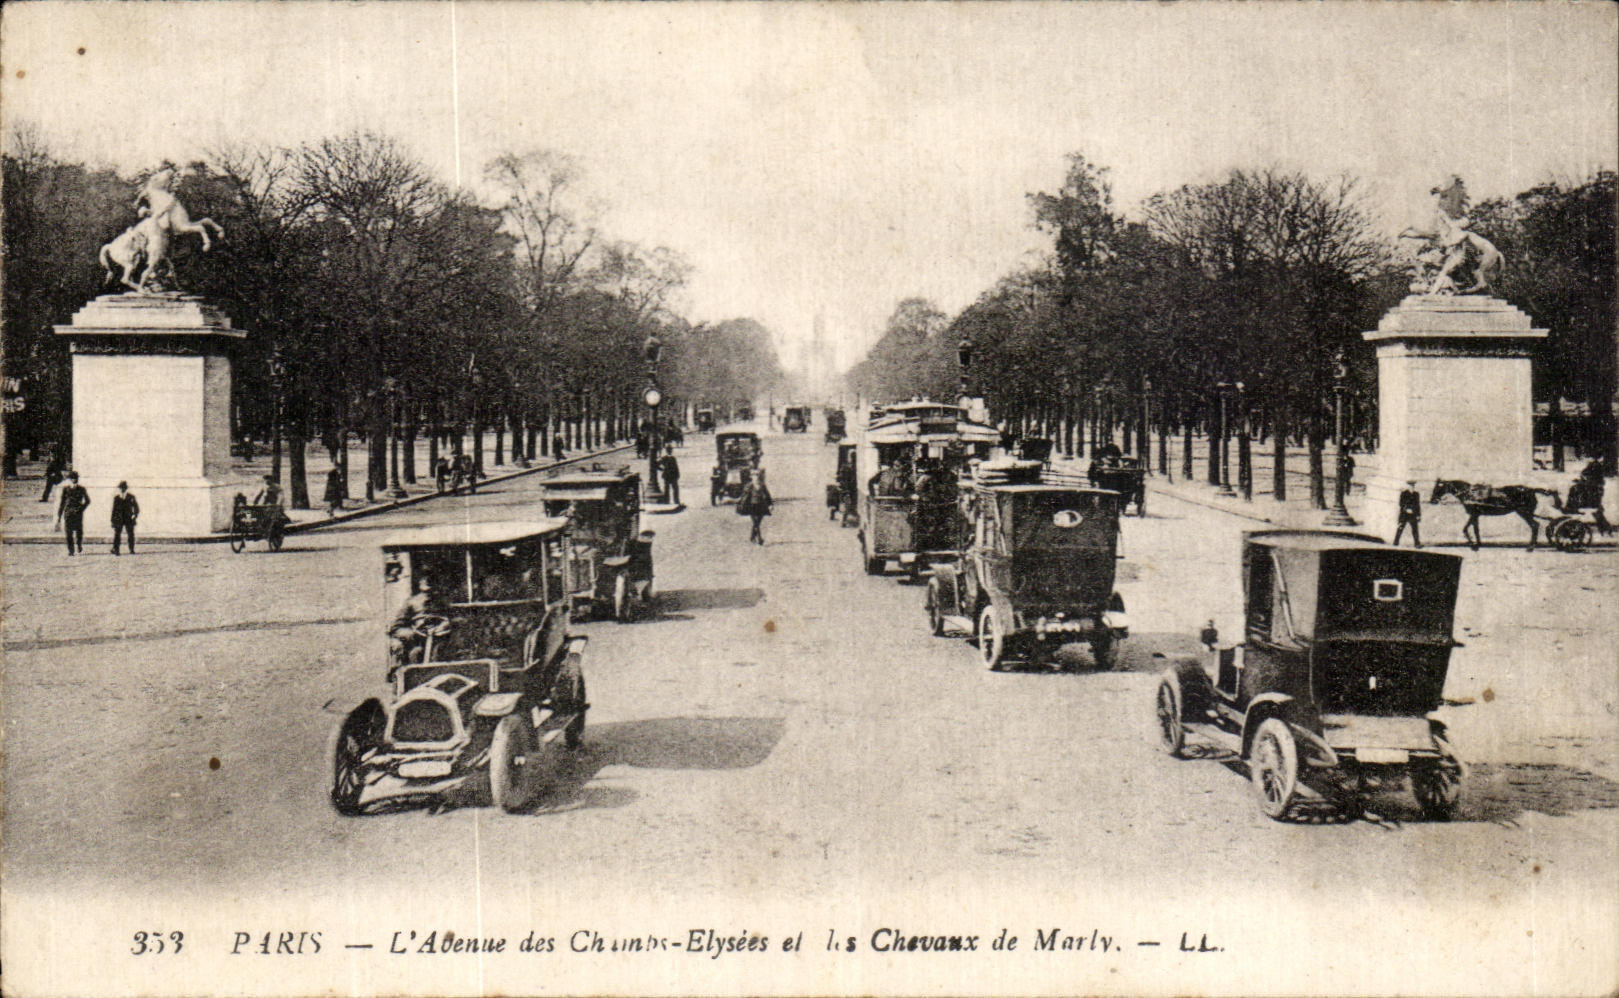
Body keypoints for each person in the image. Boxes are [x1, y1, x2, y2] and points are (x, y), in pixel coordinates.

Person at [388, 576, 449, 677]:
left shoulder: (441, 603)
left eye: (431, 591)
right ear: (420, 588)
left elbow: (451, 619)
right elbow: (396, 627)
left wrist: (444, 625)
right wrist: (413, 633)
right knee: (415, 653)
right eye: (425, 592)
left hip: (440, 637)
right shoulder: (411, 603)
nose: (428, 596)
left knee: (442, 652)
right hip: (418, 639)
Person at [55, 471, 90, 555]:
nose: (74, 480)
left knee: (79, 531)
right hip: (68, 513)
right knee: (68, 533)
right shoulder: (66, 489)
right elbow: (62, 503)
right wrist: (59, 516)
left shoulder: (81, 489)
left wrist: (81, 508)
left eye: (75, 478)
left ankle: (79, 545)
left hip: (77, 513)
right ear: (70, 479)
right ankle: (71, 550)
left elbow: (88, 501)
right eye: (72, 478)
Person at [739, 468, 773, 545]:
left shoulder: (762, 485)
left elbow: (767, 495)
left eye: (757, 475)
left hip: (761, 505)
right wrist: (742, 505)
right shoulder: (749, 485)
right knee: (756, 522)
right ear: (751, 477)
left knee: (757, 522)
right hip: (752, 506)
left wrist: (770, 504)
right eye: (754, 475)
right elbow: (744, 496)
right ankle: (760, 539)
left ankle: (752, 537)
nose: (756, 477)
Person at [110, 481, 139, 555]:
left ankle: (131, 549)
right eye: (121, 488)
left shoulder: (131, 497)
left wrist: (134, 516)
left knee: (130, 534)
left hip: (128, 518)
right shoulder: (116, 498)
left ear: (126, 488)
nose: (122, 489)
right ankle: (116, 550)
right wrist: (112, 521)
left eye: (123, 488)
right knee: (117, 534)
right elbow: (114, 510)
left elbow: (136, 508)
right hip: (119, 519)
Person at [1394, 480, 1423, 548]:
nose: (1412, 487)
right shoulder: (1404, 493)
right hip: (1404, 514)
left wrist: (1418, 515)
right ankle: (1395, 542)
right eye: (1410, 485)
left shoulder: (1416, 494)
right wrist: (1406, 509)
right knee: (1400, 528)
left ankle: (1417, 544)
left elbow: (1417, 505)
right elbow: (1401, 503)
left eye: (1413, 486)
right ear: (1408, 486)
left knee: (1415, 529)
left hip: (1413, 515)